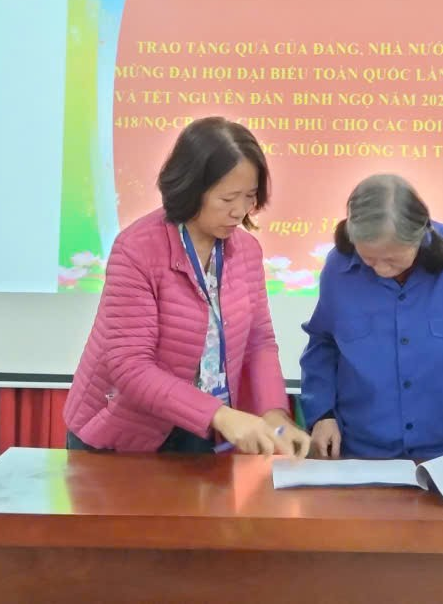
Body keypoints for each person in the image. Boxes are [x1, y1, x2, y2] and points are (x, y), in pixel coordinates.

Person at [63, 117, 310, 457]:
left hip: (203, 432)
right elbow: (130, 366)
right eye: (227, 199)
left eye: (250, 197)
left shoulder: (246, 251)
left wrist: (275, 415)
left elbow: (259, 343)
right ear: (192, 189)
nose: (239, 211)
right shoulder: (136, 249)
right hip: (123, 434)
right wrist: (220, 415)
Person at [299, 174, 443, 460]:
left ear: (420, 236)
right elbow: (323, 345)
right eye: (369, 259)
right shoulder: (339, 268)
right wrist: (322, 414)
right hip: (361, 455)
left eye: (392, 259)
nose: (381, 270)